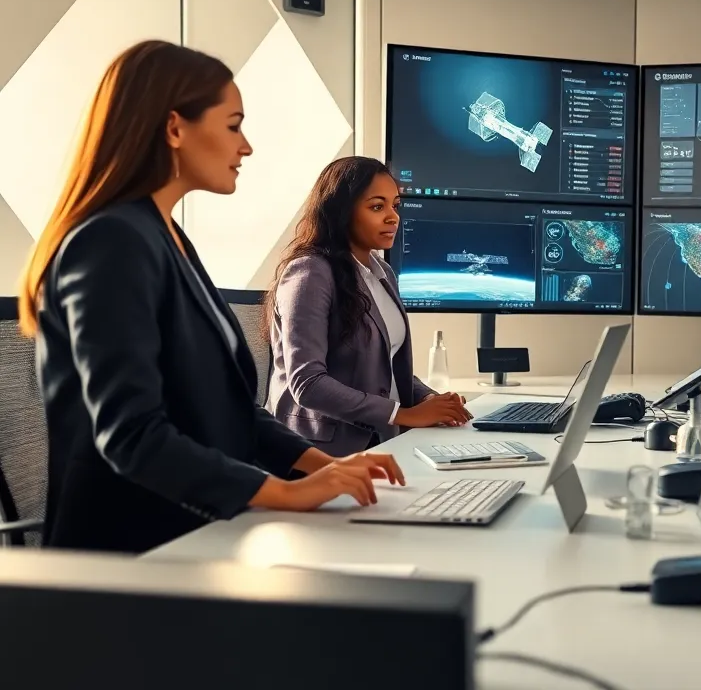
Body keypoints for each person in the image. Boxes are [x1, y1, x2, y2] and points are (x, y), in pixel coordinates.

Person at [20, 41, 405, 554]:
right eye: (233, 125)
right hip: (133, 556)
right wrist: (286, 494)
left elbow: (229, 410)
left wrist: (327, 467)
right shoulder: (111, 242)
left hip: (202, 532)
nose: (245, 147)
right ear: (175, 128)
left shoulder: (167, 238)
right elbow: (132, 436)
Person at [265, 156, 470, 456]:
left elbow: (384, 368)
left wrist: (429, 400)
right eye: (377, 207)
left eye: (395, 206)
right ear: (342, 211)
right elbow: (308, 384)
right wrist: (403, 414)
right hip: (322, 452)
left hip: (384, 442)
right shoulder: (309, 272)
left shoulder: (382, 272)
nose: (393, 217)